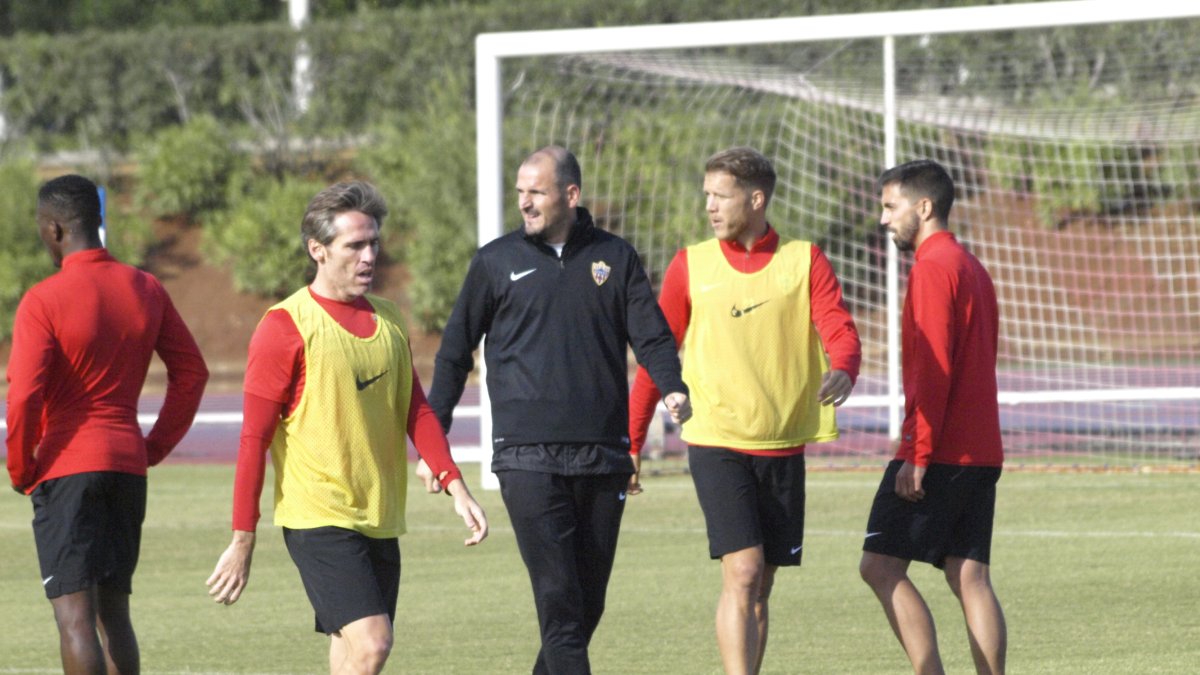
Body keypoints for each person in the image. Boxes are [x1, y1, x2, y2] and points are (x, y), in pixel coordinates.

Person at [426, 145, 691, 675]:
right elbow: (455, 351)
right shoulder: (494, 262)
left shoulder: (615, 258)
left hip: (603, 455)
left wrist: (671, 386)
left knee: (584, 608)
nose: (524, 203)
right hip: (527, 459)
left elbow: (652, 335)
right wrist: (436, 435)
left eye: (536, 192)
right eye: (520, 192)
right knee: (560, 604)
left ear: (570, 195)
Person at [205, 181, 488, 675]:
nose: (368, 255)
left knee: (351, 651)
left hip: (378, 514)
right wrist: (243, 537)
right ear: (318, 250)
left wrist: (455, 484)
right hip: (318, 517)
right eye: (354, 245)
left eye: (373, 242)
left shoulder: (390, 319)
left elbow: (415, 410)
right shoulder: (284, 326)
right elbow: (253, 440)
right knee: (374, 642)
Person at [628, 146, 862, 675]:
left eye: (720, 196)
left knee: (763, 583)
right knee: (744, 571)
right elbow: (655, 357)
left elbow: (838, 326)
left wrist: (845, 365)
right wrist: (632, 439)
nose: (709, 206)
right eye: (706, 195)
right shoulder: (692, 264)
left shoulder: (805, 260)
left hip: (782, 444)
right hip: (716, 439)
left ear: (756, 199)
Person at [6, 174, 209, 674]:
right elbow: (192, 374)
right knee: (114, 614)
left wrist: (19, 466)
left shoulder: (43, 300)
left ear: (54, 229)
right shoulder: (145, 287)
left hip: (66, 467)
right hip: (125, 466)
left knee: (75, 619)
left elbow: (26, 393)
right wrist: (153, 447)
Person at [859, 159, 1006, 675]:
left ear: (923, 207)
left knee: (879, 566)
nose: (883, 219)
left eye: (889, 206)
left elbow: (935, 370)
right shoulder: (971, 266)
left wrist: (916, 454)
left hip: (939, 450)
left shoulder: (932, 268)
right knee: (970, 576)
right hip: (982, 450)